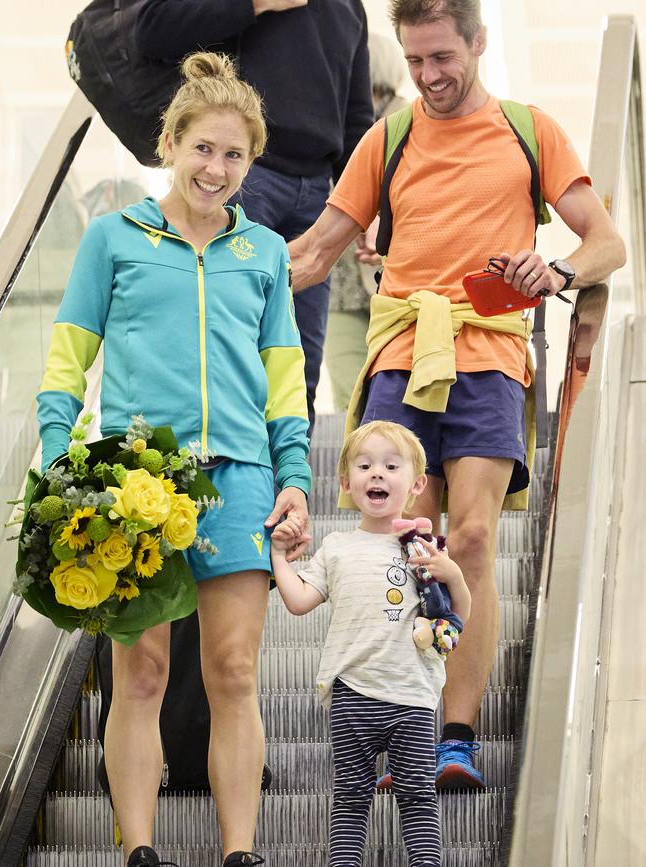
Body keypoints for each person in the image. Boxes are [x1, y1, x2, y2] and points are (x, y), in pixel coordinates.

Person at [287, 0, 626, 789]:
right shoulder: (390, 137)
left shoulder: (528, 129)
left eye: (443, 57)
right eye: (415, 61)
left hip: (489, 350)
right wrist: (217, 264)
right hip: (401, 354)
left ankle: (456, 736)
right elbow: (313, 253)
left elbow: (606, 239)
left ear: (477, 42)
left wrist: (561, 271)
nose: (429, 76)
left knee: (468, 538)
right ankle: (399, 720)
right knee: (398, 544)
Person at [37, 52, 312, 867]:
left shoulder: (263, 253)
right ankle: (140, 851)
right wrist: (61, 460)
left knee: (232, 670)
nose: (217, 168)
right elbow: (66, 361)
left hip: (239, 477)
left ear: (250, 163)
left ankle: (238, 851)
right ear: (169, 144)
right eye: (203, 149)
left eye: (234, 155)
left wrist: (294, 474)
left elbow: (284, 376)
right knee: (144, 673)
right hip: (137, 482)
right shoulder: (111, 239)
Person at [135, 0, 374, 430]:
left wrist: (367, 207)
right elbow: (152, 28)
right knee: (228, 355)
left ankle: (290, 491)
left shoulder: (349, 8)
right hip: (244, 177)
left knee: (300, 366)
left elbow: (357, 118)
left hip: (318, 192)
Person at [270, 420, 471, 867]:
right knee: (351, 796)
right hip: (351, 693)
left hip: (412, 693)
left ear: (417, 484)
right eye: (364, 466)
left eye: (390, 466)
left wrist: (453, 574)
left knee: (418, 794)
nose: (376, 474)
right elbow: (300, 601)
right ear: (345, 483)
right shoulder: (337, 547)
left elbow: (457, 618)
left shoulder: (424, 550)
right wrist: (279, 560)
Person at [325, 30, 409, 411]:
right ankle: (354, 467)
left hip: (394, 282)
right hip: (337, 281)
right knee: (348, 391)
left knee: (394, 390)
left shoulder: (411, 122)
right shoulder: (326, 121)